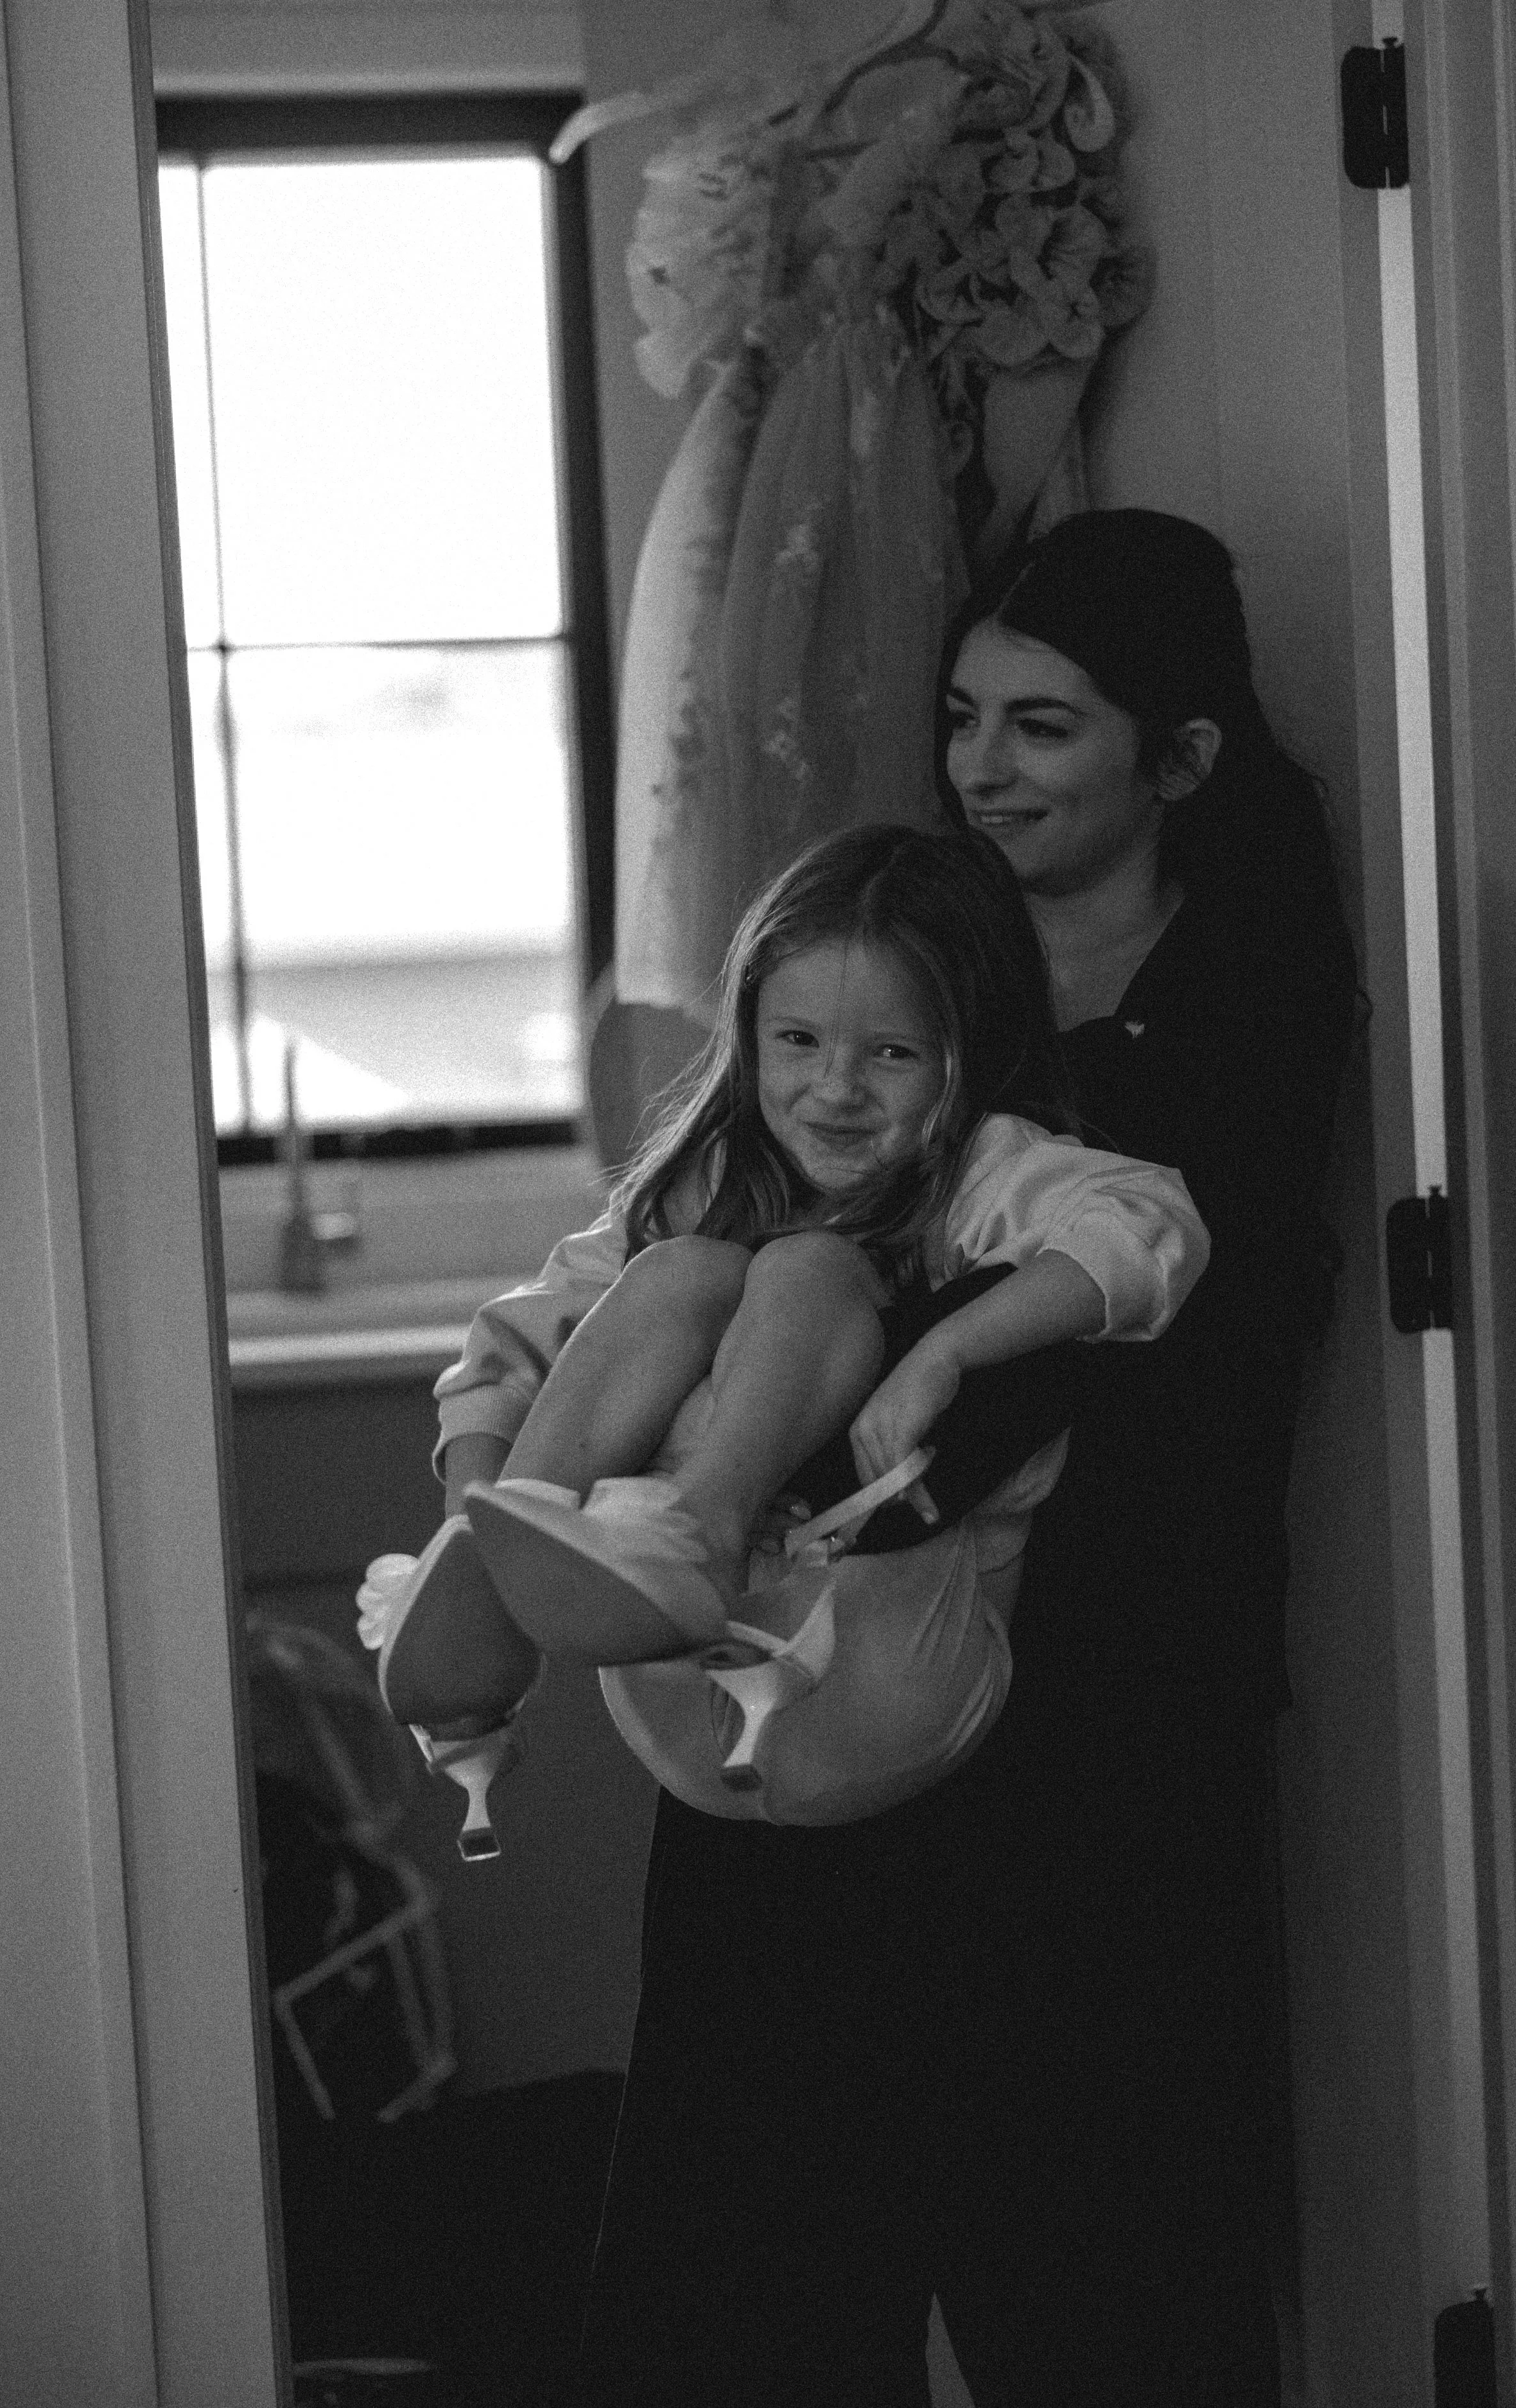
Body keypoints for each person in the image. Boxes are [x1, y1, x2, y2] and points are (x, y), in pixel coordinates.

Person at [573, 510, 1359, 2407]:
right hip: (802, 1631)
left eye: (1043, 728)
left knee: (1087, 2241)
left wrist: (914, 1381)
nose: (980, 764)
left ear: (1177, 759)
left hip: (1095, 1692)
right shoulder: (912, 951)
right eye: (964, 715)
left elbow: (1174, 1310)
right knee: (763, 2232)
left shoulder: (1242, 1002)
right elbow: (729, 1203)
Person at [367, 823, 1209, 1831]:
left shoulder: (982, 1172)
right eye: (798, 1042)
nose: (835, 1089)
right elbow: (515, 1339)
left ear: (967, 1054)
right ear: (750, 1034)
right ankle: (495, 1568)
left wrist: (946, 1350)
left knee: (806, 1267)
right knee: (675, 1274)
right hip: (680, 1690)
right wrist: (474, 1501)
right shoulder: (707, 1185)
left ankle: (701, 1528)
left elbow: (1149, 1227)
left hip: (876, 1673)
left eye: (891, 1054)